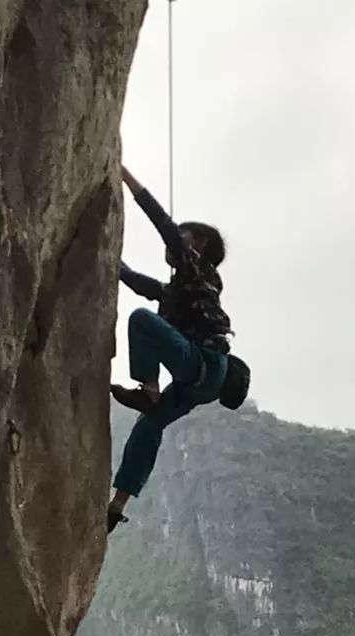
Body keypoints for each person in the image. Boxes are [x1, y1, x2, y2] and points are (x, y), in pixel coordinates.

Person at [107, 164, 232, 533]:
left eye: (184, 236)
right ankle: (116, 505)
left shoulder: (201, 273)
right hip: (201, 378)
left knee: (142, 321)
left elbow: (161, 222)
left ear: (200, 246)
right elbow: (134, 280)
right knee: (150, 424)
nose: (175, 241)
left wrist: (126, 176)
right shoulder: (183, 289)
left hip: (203, 363)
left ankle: (148, 389)